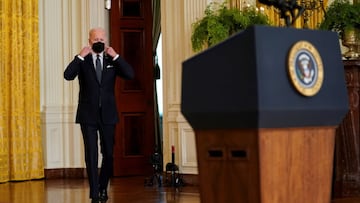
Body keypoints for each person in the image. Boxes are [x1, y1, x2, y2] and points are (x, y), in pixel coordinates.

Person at [64, 27, 134, 203]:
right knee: (92, 155)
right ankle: (95, 194)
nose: (99, 42)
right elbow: (68, 75)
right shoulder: (84, 60)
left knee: (109, 154)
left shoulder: (112, 60)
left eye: (102, 39)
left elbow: (130, 74)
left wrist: (116, 55)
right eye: (96, 39)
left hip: (108, 115)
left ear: (106, 41)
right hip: (88, 115)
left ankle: (103, 187)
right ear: (89, 41)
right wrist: (79, 56)